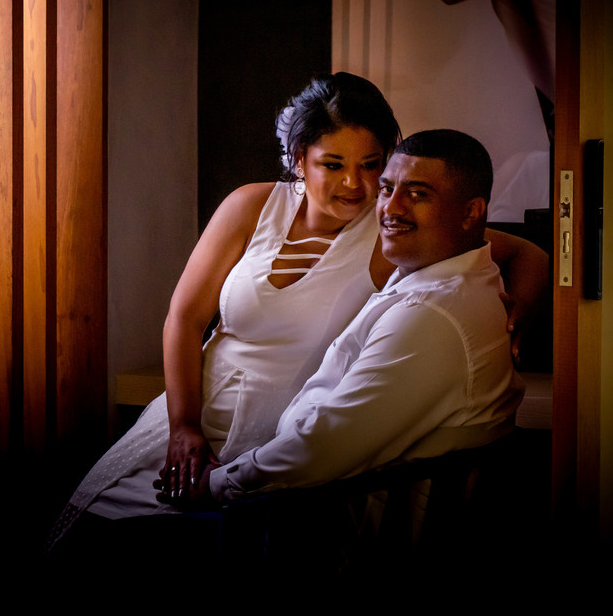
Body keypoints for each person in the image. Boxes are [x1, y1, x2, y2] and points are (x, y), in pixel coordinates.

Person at [46, 74, 547, 555]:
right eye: (333, 164)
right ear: (300, 158)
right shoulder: (251, 205)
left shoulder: (393, 229)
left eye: (371, 164)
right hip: (193, 412)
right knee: (94, 529)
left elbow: (528, 254)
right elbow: (184, 316)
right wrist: (183, 426)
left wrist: (516, 319)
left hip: (278, 437)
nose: (355, 183)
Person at [178, 128, 523, 516]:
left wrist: (216, 485)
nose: (390, 209)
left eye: (417, 194)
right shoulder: (444, 275)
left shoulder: (431, 314)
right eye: (387, 189)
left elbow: (320, 449)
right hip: (286, 479)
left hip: (321, 518)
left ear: (471, 212)